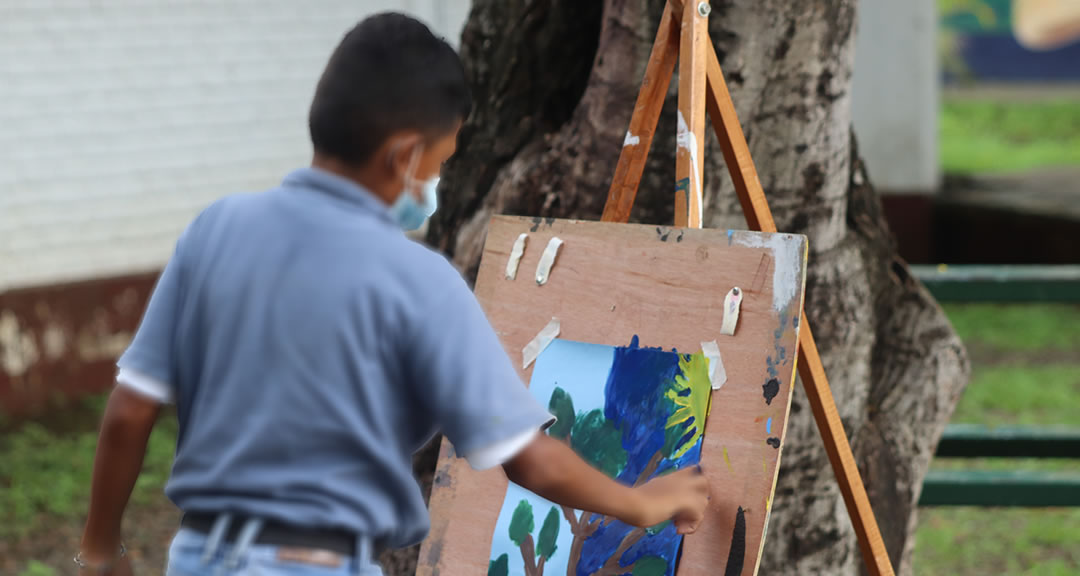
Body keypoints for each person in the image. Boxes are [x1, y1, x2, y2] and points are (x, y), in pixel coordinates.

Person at [76, 12, 710, 576]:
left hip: (199, 555)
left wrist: (101, 549)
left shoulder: (214, 230)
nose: (434, 181)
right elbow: (527, 460)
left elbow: (132, 408)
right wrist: (642, 501)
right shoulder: (419, 282)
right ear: (405, 155)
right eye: (440, 162)